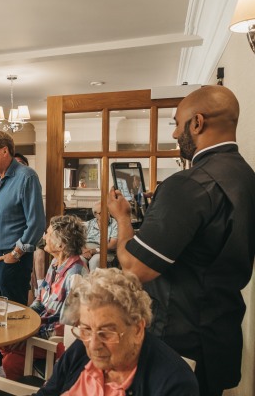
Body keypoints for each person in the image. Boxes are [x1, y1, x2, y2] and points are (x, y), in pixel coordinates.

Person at [107, 85, 255, 396]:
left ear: (197, 123)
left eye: (177, 123)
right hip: (222, 328)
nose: (175, 134)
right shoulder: (246, 177)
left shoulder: (188, 184)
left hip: (178, 336)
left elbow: (135, 267)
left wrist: (122, 218)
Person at [34, 268, 199, 395]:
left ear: (137, 329)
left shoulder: (175, 384)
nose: (94, 345)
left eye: (106, 333)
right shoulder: (79, 351)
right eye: (86, 329)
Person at [0, 131, 45, 374]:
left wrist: (16, 254)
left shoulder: (27, 177)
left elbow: (36, 223)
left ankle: (14, 368)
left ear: (5, 151)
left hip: (12, 258)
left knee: (13, 315)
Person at [1, 215, 88, 381]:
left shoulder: (75, 275)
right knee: (3, 336)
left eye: (48, 233)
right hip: (40, 329)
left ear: (61, 244)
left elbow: (66, 327)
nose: (44, 237)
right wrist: (24, 321)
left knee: (10, 360)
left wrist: (30, 334)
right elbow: (40, 300)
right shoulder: (55, 263)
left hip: (56, 341)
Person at [81, 201, 118, 271]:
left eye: (107, 211)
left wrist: (95, 250)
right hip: (87, 251)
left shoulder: (114, 224)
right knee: (80, 260)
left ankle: (95, 281)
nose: (106, 214)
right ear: (95, 215)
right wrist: (83, 250)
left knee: (95, 260)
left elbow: (113, 244)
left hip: (104, 252)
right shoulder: (89, 224)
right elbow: (79, 238)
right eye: (102, 213)